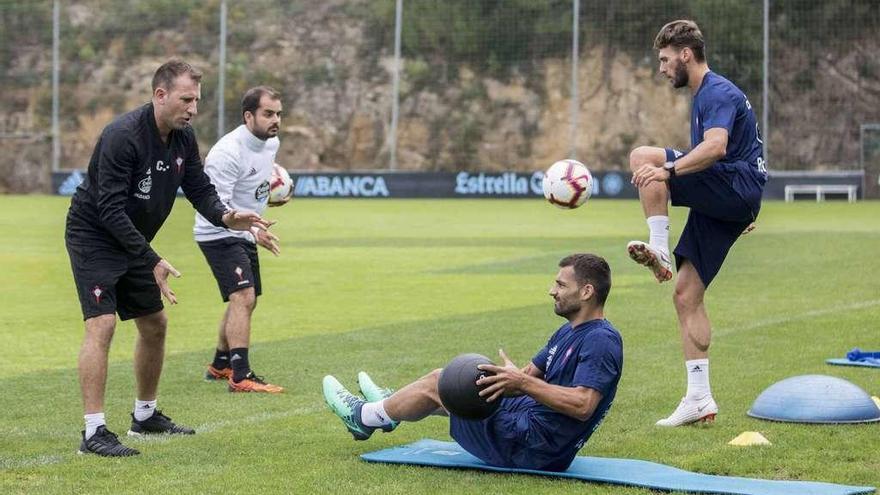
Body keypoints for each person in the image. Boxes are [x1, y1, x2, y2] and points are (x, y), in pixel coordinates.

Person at [65, 59, 272, 457]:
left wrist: (230, 217)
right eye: (186, 99)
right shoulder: (122, 136)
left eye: (196, 100)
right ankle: (93, 432)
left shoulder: (183, 139)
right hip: (93, 236)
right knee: (102, 324)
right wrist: (152, 257)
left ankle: (145, 416)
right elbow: (108, 209)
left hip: (133, 240)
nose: (193, 108)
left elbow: (200, 189)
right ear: (160, 96)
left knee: (154, 323)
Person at [323, 254, 623, 472]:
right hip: (531, 426)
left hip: (532, 446)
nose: (551, 290)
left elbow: (583, 405)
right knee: (460, 383)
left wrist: (521, 382)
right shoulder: (568, 331)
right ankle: (392, 406)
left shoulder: (601, 340)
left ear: (586, 292)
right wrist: (500, 379)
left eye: (560, 284)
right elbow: (526, 377)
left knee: (438, 384)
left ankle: (366, 416)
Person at [627, 20, 767, 426]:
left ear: (686, 54)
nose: (662, 67)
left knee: (643, 159)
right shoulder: (705, 94)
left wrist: (668, 171)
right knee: (686, 295)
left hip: (735, 186)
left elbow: (717, 147)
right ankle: (700, 399)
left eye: (665, 59)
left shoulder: (716, 91)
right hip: (733, 199)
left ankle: (657, 245)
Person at [197, 86, 287, 393]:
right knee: (243, 297)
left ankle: (220, 364)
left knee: (246, 300)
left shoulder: (271, 142)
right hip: (217, 231)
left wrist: (269, 201)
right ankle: (240, 375)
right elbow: (217, 207)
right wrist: (252, 229)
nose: (275, 120)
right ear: (249, 116)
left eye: (278, 114)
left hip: (245, 231)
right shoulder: (226, 152)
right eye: (268, 114)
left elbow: (256, 183)